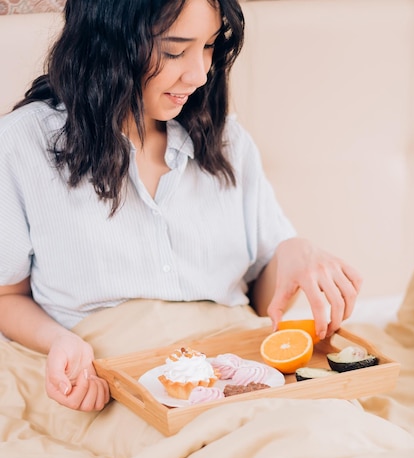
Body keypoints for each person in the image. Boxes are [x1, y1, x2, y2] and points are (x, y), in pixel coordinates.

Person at [0, 0, 362, 414]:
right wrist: (59, 341)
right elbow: (5, 295)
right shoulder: (20, 145)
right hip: (118, 379)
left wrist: (292, 252)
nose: (199, 73)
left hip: (238, 363)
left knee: (332, 427)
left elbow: (261, 302)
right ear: (107, 42)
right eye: (174, 51)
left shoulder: (226, 140)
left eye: (208, 46)